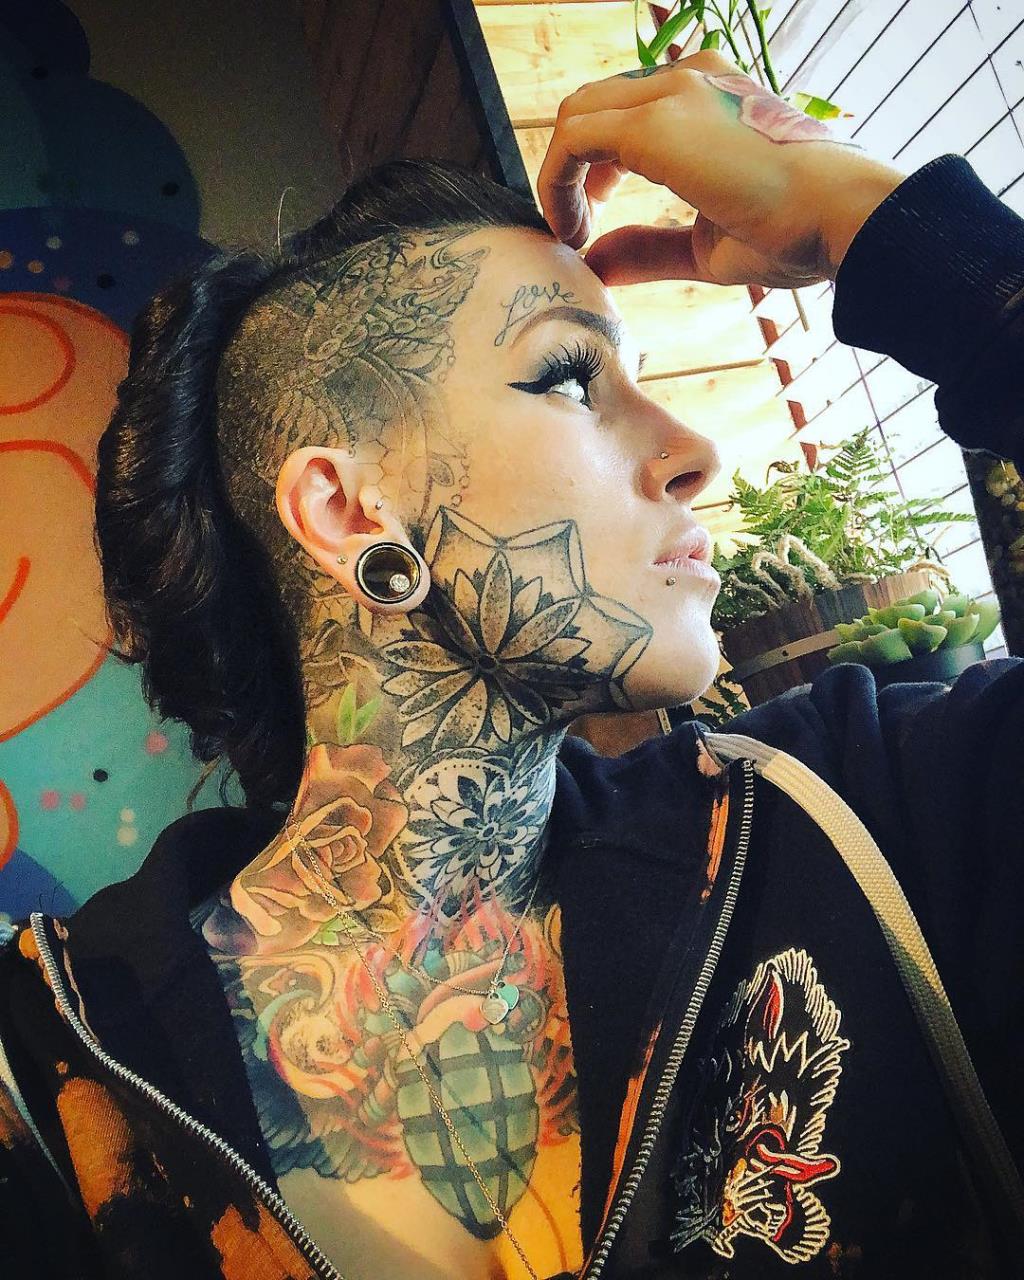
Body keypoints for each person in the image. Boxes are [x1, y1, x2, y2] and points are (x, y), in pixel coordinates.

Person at [2, 46, 1023, 1280]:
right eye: (570, 377)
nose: (691, 449)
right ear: (347, 509)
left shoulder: (859, 815)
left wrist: (895, 234)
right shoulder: (47, 1078)